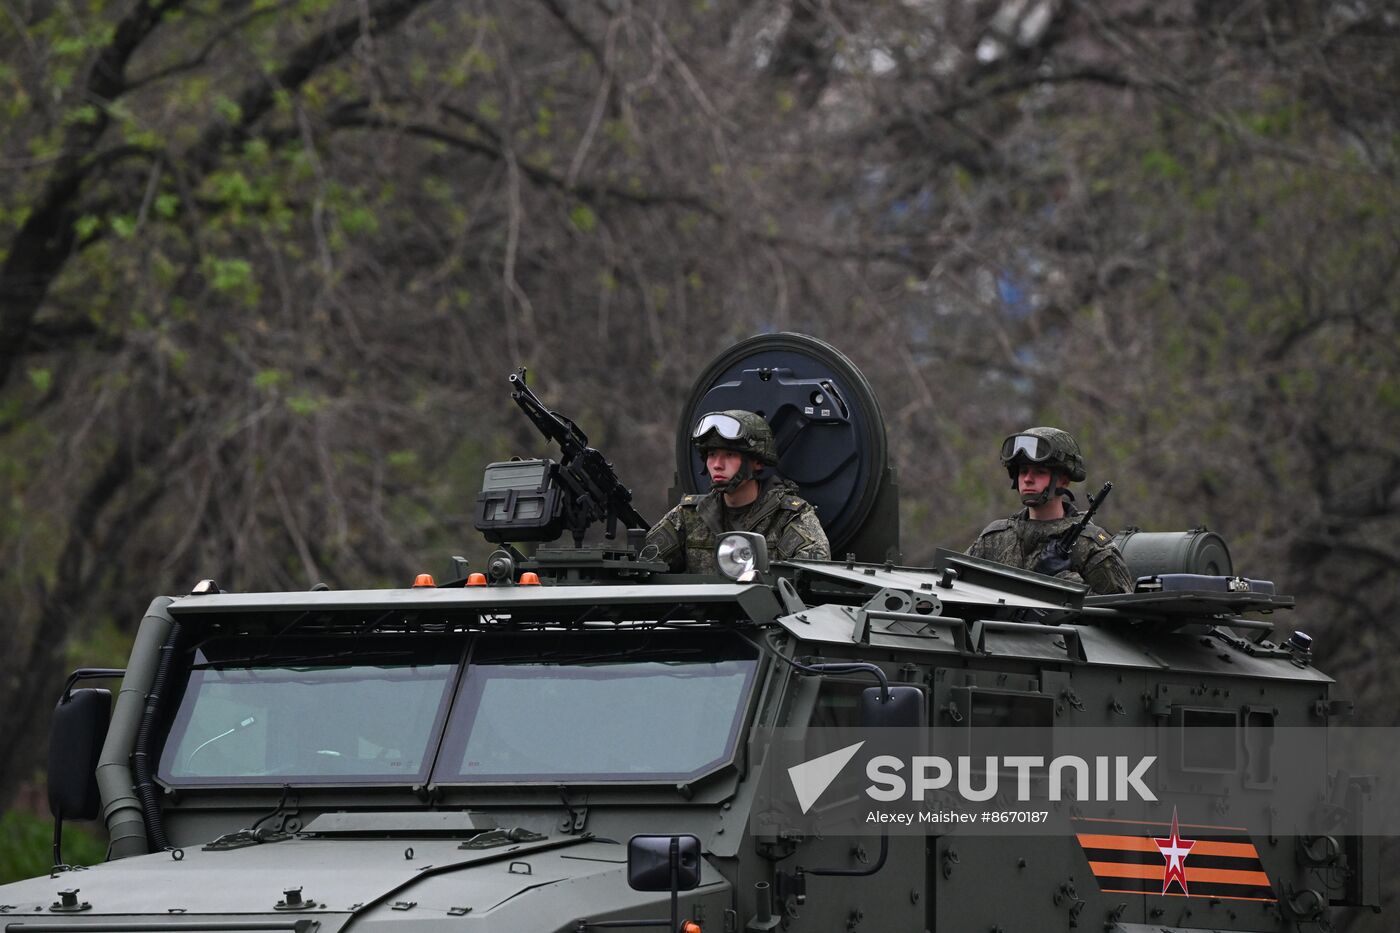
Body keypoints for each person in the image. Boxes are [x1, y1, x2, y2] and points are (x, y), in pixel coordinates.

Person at [646, 410, 830, 574]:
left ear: (757, 462)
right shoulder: (689, 516)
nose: (717, 465)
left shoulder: (787, 517)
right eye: (711, 455)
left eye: (729, 455)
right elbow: (646, 564)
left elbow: (814, 572)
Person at [968, 426, 1133, 594]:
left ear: (1063, 480)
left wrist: (1065, 582)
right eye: (1023, 471)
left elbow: (1123, 614)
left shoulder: (1089, 546)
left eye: (1039, 472)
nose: (1027, 479)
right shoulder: (994, 539)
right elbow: (953, 587)